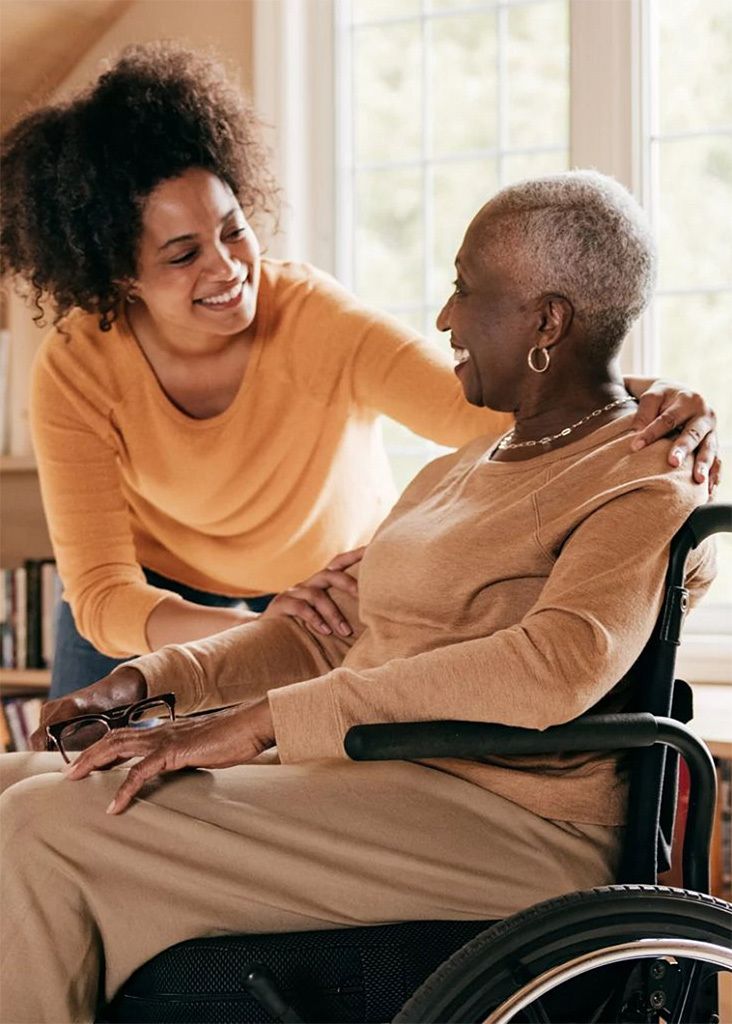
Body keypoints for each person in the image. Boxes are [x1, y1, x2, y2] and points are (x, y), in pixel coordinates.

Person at [0, 171, 716, 1023]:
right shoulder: (455, 471)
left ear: (546, 322)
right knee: (15, 780)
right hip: (376, 773)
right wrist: (155, 683)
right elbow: (325, 632)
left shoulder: (650, 472)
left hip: (507, 822)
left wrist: (261, 719)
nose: (445, 318)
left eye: (463, 289)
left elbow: (555, 665)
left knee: (50, 821)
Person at [0, 43, 720, 699]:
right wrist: (237, 628)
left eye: (233, 230)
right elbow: (99, 594)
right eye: (183, 255)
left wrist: (635, 397)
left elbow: (474, 404)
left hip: (321, 596)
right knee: (81, 798)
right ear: (120, 279)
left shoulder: (313, 318)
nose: (227, 269)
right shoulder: (77, 368)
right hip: (155, 609)